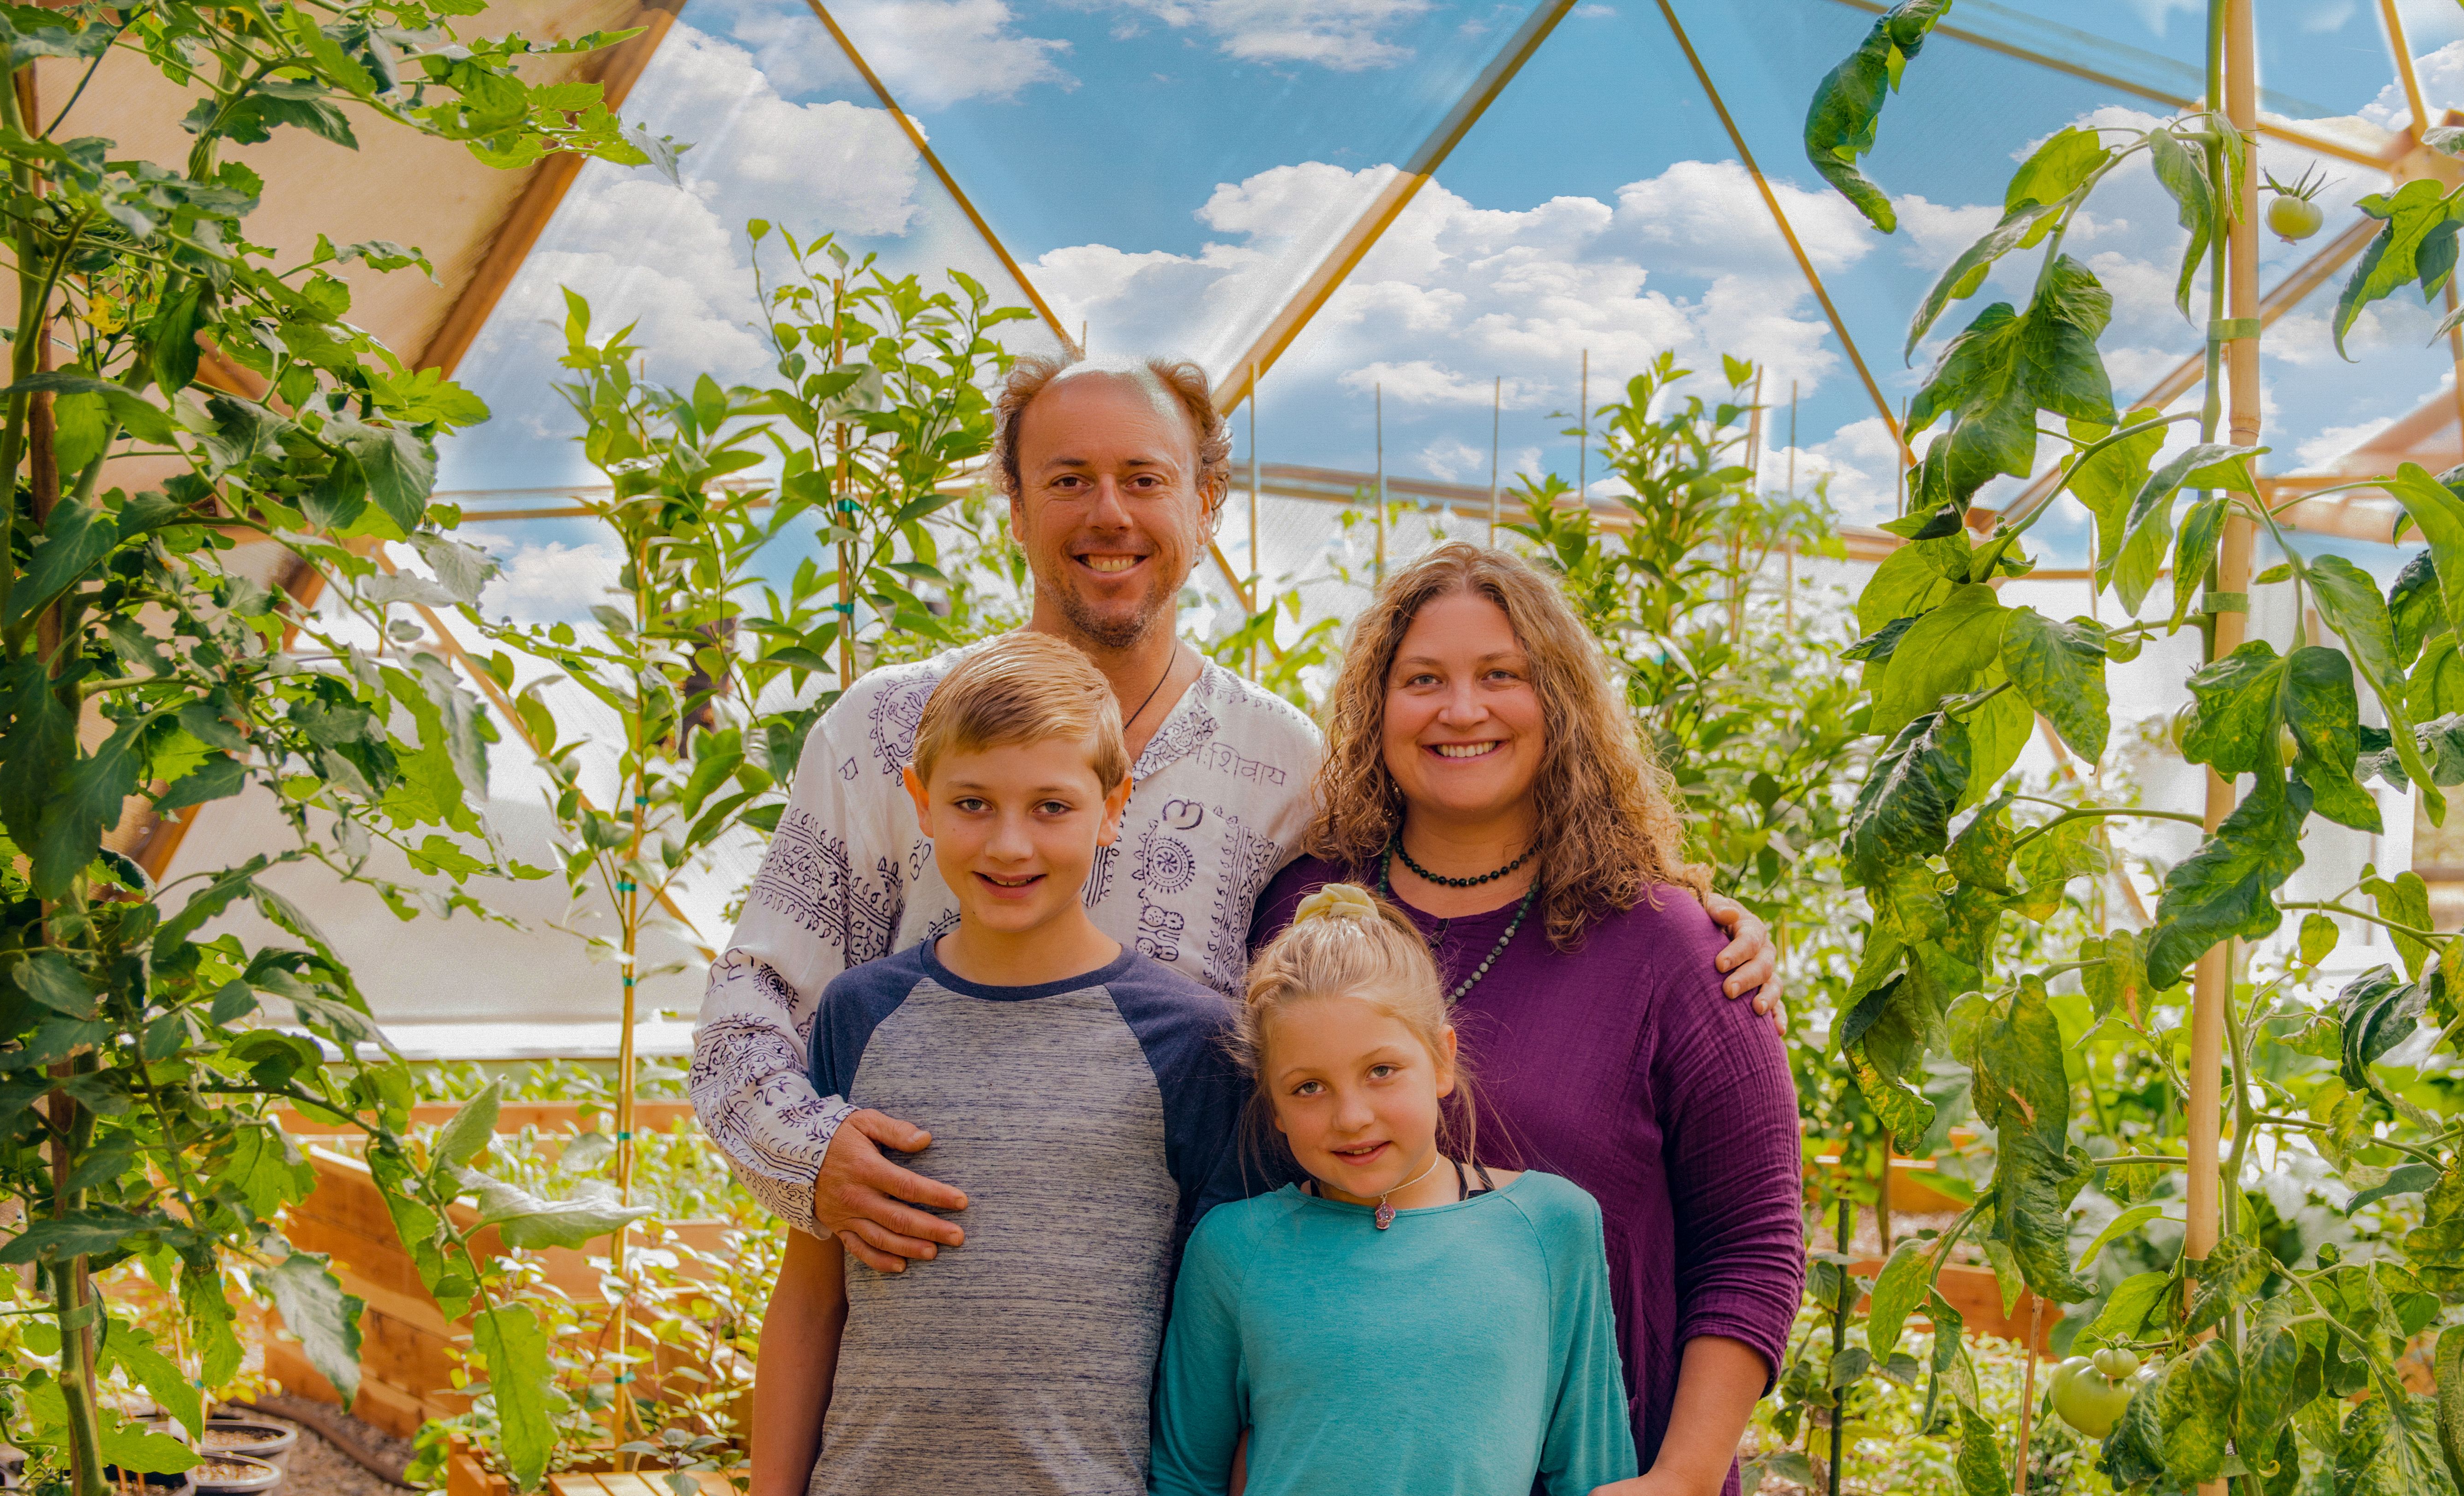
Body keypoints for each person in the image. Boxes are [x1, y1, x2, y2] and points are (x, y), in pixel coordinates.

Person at [685, 352, 1781, 1287]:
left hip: (1197, 1357)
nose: (1108, 514)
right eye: (1067, 478)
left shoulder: (1284, 768)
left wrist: (1680, 912)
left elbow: (1461, 841)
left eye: (1144, 478)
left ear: (1207, 504)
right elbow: (752, 1007)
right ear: (1013, 507)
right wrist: (809, 1154)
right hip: (923, 1334)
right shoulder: (887, 734)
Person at [1245, 542, 1806, 1496]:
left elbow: (1758, 1248)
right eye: (1424, 677)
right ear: (1374, 709)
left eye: (1502, 676)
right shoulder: (1302, 914)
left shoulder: (1670, 944)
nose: (1462, 710)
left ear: (1559, 700)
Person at [718, 634, 1247, 1496]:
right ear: (921, 805)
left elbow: (1225, 1342)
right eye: (973, 804)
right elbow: (810, 1306)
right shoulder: (863, 1014)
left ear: (1114, 809)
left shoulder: (1188, 1045)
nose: (1010, 844)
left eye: (1051, 806)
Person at [1153, 883, 1636, 1496]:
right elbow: (1188, 1479)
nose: (1351, 1113)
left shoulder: (1550, 1228)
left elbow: (1593, 1483)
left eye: (1382, 1069)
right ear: (1273, 1102)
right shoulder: (1235, 1248)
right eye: (1309, 1087)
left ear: (1443, 1058)